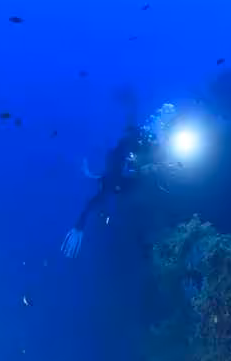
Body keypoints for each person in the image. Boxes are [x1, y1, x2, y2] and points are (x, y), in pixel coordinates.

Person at [61, 105, 184, 258]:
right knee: (120, 204)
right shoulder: (130, 145)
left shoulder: (155, 146)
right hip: (122, 186)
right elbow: (115, 180)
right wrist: (80, 224)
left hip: (137, 189)